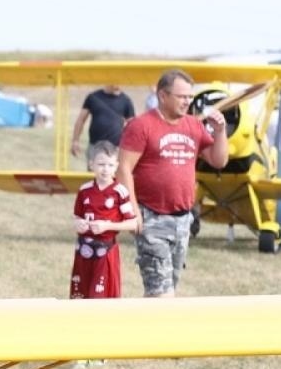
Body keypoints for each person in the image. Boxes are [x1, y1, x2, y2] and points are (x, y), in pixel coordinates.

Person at [115, 69, 229, 298]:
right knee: (161, 293)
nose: (187, 101)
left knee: (169, 288)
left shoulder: (194, 126)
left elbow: (218, 160)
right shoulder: (141, 126)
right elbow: (123, 168)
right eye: (181, 96)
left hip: (183, 220)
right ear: (163, 96)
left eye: (189, 96)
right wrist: (132, 211)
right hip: (152, 218)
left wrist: (220, 131)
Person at [70, 141, 138, 299]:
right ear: (91, 164)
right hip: (83, 250)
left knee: (99, 296)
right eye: (101, 164)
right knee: (80, 295)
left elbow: (133, 223)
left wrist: (107, 226)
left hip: (105, 251)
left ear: (116, 166)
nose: (105, 169)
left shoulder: (119, 192)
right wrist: (78, 224)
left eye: (110, 165)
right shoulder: (84, 190)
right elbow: (76, 217)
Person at [69, 84, 136, 158]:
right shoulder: (93, 97)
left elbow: (132, 125)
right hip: (94, 146)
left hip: (116, 148)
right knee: (93, 169)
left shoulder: (126, 101)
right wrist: (75, 141)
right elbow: (81, 120)